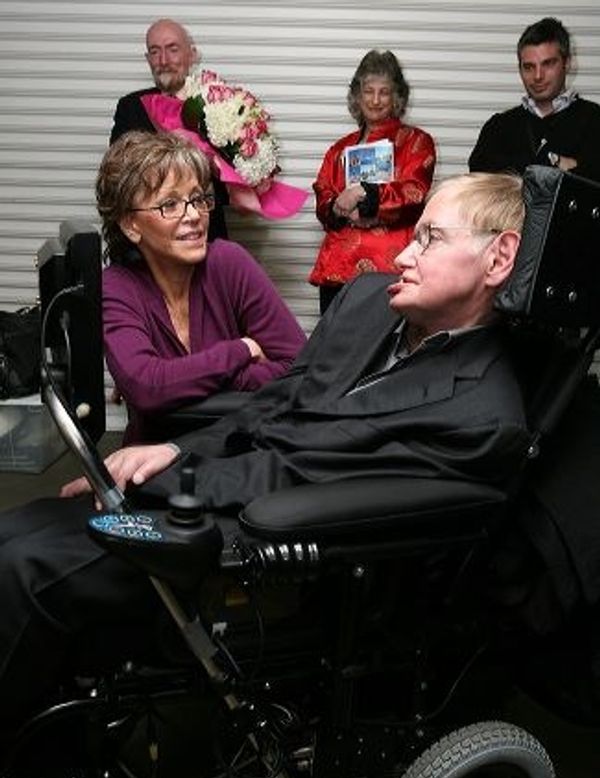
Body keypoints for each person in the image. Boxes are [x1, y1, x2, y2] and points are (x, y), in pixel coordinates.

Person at [0, 171, 529, 727]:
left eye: (430, 238)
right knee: (19, 527)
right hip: (231, 481)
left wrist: (158, 482)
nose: (402, 256)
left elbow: (296, 476)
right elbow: (283, 394)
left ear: (498, 259)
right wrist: (173, 451)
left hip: (269, 545)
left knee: (24, 567)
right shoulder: (371, 302)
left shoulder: (480, 417)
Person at [97, 130, 306, 444]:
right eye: (169, 204)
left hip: (243, 453)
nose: (194, 215)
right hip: (152, 461)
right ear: (131, 225)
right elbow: (146, 387)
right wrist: (241, 351)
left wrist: (182, 380)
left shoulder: (228, 262)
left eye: (198, 198)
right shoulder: (117, 287)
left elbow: (300, 370)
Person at [309, 50, 436, 314]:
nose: (375, 100)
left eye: (384, 92)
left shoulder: (417, 142)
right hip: (338, 269)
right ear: (357, 95)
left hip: (388, 268)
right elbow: (322, 197)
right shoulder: (339, 148)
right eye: (368, 91)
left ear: (397, 97)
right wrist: (337, 205)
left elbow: (414, 193)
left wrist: (363, 195)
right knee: (334, 350)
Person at [109, 18, 229, 241]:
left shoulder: (218, 104)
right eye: (155, 52)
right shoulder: (130, 107)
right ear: (148, 59)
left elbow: (229, 187)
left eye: (172, 49)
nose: (163, 60)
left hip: (207, 237)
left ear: (191, 54)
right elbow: (119, 178)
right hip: (146, 245)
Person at [469, 17, 600, 182]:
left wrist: (515, 171)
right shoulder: (498, 127)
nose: (538, 76)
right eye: (529, 67)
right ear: (519, 69)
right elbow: (478, 186)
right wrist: (559, 163)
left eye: (548, 64)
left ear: (567, 63)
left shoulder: (595, 121)